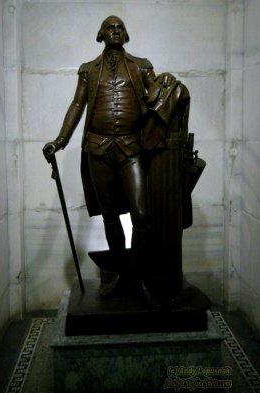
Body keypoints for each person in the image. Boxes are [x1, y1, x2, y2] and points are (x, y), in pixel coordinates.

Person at [43, 15, 173, 297]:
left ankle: (140, 275)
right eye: (109, 28)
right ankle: (119, 273)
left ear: (126, 36)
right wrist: (60, 140)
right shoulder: (88, 70)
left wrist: (166, 85)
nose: (115, 31)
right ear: (99, 35)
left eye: (120, 28)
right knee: (110, 216)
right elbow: (77, 105)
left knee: (141, 214)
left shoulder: (141, 66)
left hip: (131, 148)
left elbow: (156, 98)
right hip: (97, 148)